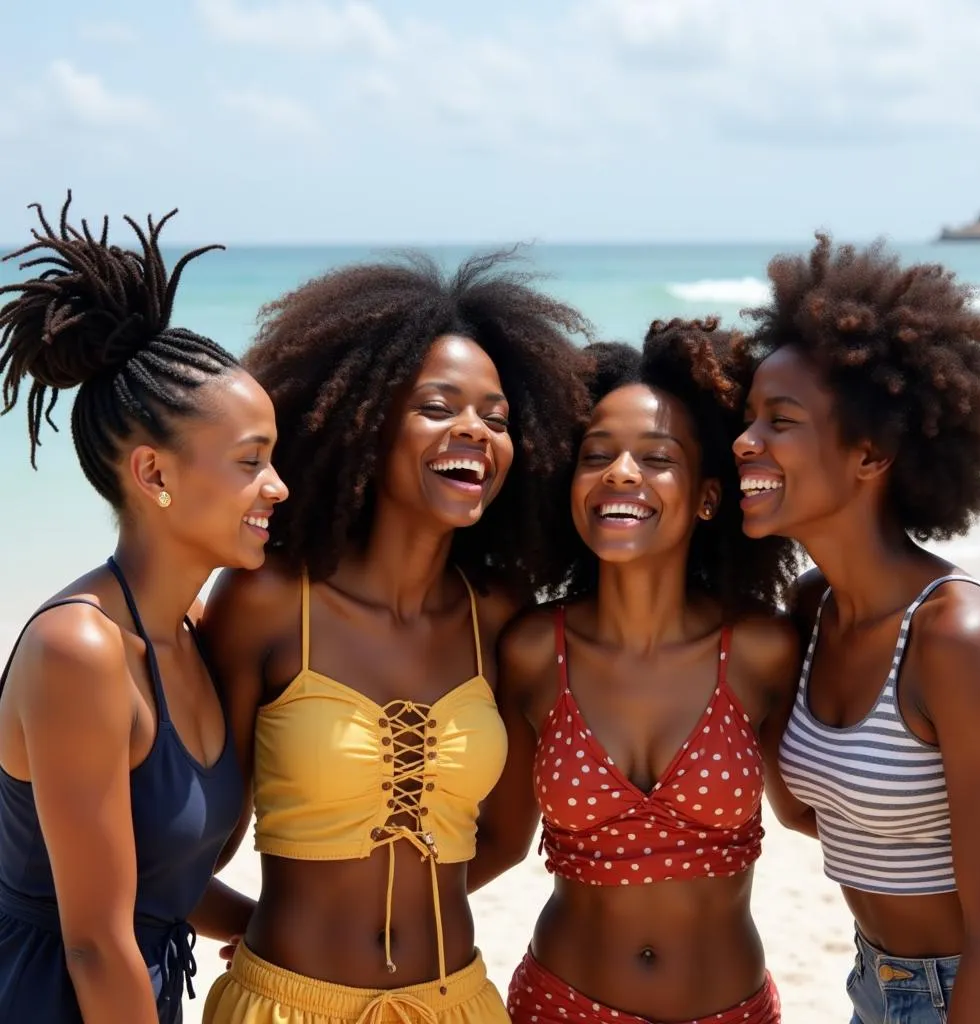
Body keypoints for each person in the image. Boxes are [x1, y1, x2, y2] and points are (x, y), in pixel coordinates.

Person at [200, 252, 593, 1024]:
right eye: (438, 406)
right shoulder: (269, 601)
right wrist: (257, 931)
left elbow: (509, 838)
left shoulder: (500, 616)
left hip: (456, 1003)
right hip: (284, 1006)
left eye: (498, 417)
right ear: (364, 420)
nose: (475, 430)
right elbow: (188, 842)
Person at [0, 194, 287, 1023]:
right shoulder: (78, 651)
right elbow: (93, 939)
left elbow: (156, 877)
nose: (278, 486)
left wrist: (284, 931)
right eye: (252, 462)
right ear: (154, 475)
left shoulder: (190, 636)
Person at [469, 322, 799, 1024]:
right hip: (559, 1006)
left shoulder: (761, 648)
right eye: (597, 456)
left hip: (731, 1012)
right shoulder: (532, 649)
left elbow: (821, 809)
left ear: (708, 496)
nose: (622, 474)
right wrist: (360, 932)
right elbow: (497, 842)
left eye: (656, 458)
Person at [735, 233, 980, 1024]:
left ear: (870, 455)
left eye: (779, 421)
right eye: (748, 417)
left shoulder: (957, 635)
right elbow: (806, 813)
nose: (744, 441)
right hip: (878, 984)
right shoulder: (810, 609)